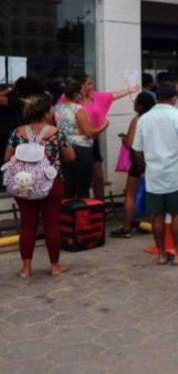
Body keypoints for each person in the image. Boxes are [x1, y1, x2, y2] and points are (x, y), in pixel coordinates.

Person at [4, 94, 75, 277]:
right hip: (51, 183)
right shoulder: (56, 133)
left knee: (27, 225)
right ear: (45, 113)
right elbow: (70, 157)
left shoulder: (16, 133)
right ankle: (54, 266)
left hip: (23, 183)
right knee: (51, 224)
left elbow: (7, 157)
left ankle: (26, 268)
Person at [132, 82, 178, 266]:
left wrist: (143, 167)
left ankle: (161, 254)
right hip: (176, 175)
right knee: (177, 215)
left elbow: (137, 149)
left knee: (156, 216)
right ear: (174, 99)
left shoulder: (144, 119)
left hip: (153, 175)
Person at [110, 92, 157, 238]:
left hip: (138, 160)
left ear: (140, 105)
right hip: (153, 159)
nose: (133, 103)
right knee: (152, 193)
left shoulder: (137, 120)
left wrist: (124, 139)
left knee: (130, 194)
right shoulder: (155, 119)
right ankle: (151, 222)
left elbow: (131, 143)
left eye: (136, 101)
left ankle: (126, 227)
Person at [54, 78, 108, 198]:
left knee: (69, 184)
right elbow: (89, 133)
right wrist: (104, 126)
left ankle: (68, 213)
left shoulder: (57, 108)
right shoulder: (77, 109)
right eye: (80, 92)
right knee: (83, 186)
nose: (82, 95)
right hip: (81, 149)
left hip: (64, 148)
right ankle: (81, 214)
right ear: (75, 94)